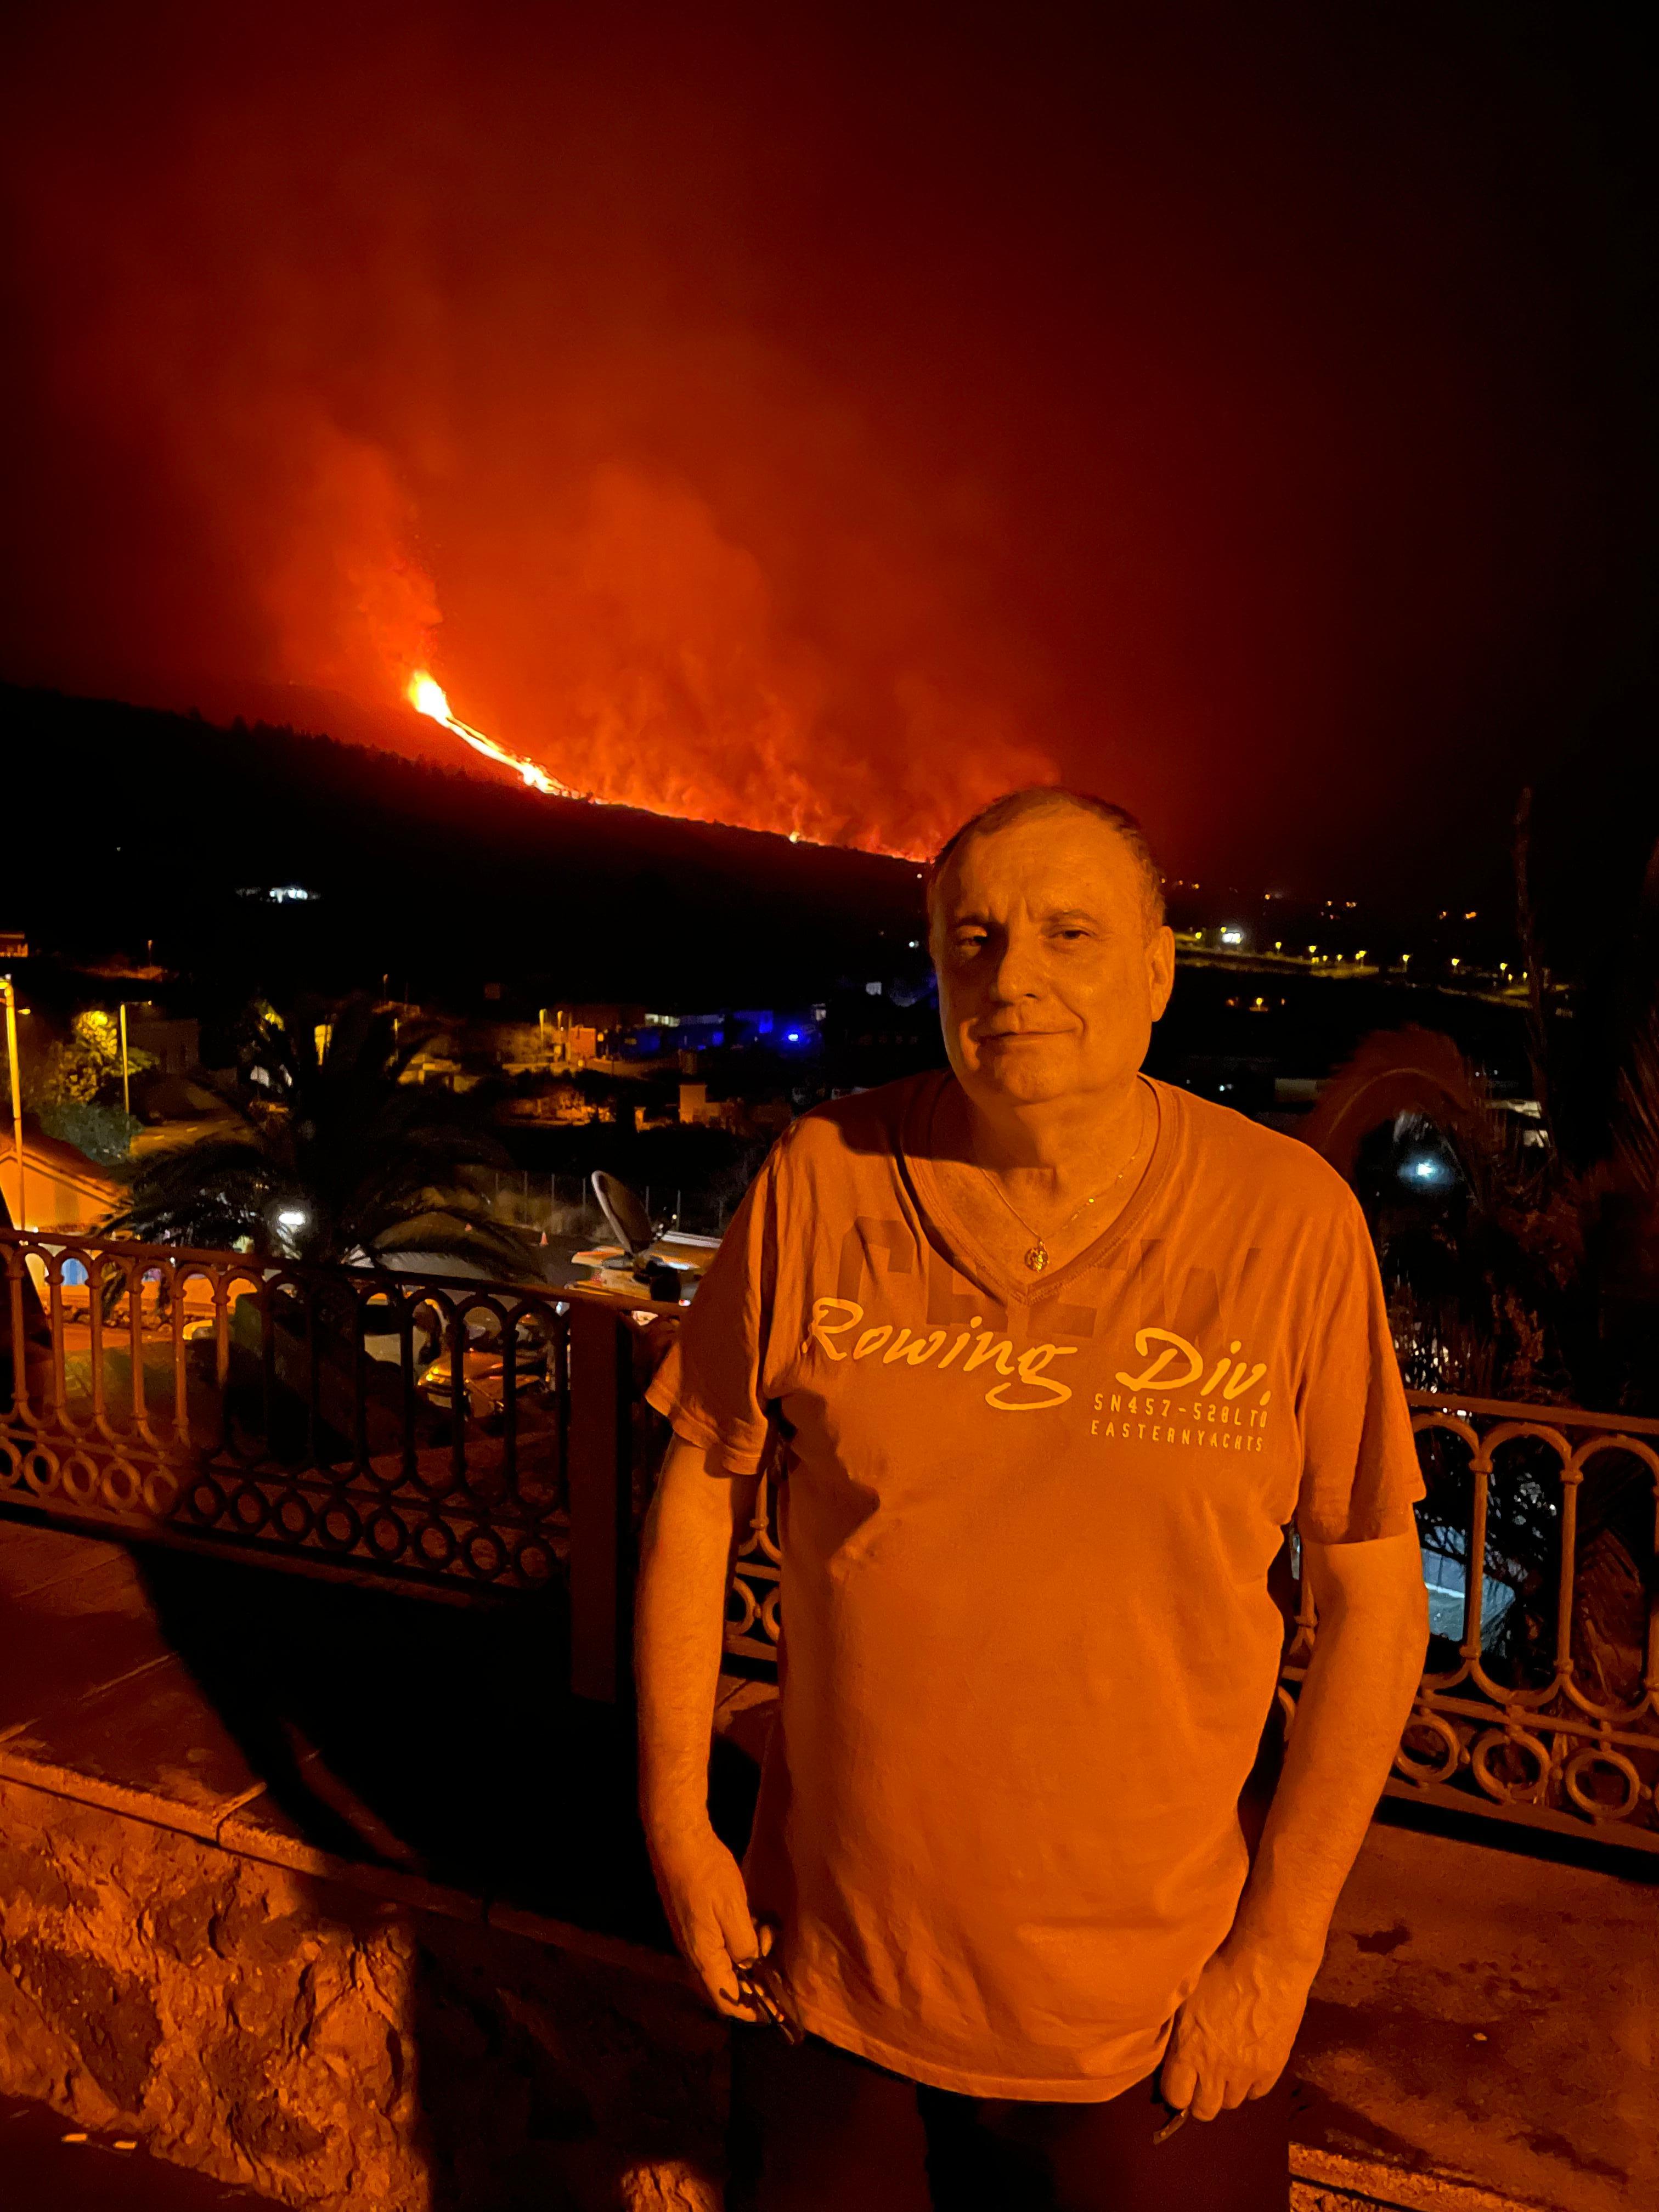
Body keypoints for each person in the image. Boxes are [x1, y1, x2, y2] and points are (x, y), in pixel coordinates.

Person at [636, 788, 1429, 2210]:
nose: (1016, 979)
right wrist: (679, 1830)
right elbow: (698, 1482)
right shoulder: (828, 1177)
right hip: (834, 1990)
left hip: (1152, 2026)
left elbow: (1374, 1596)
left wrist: (1282, 1952)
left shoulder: (1286, 1224)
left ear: (1157, 969)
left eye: (1070, 933)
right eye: (976, 939)